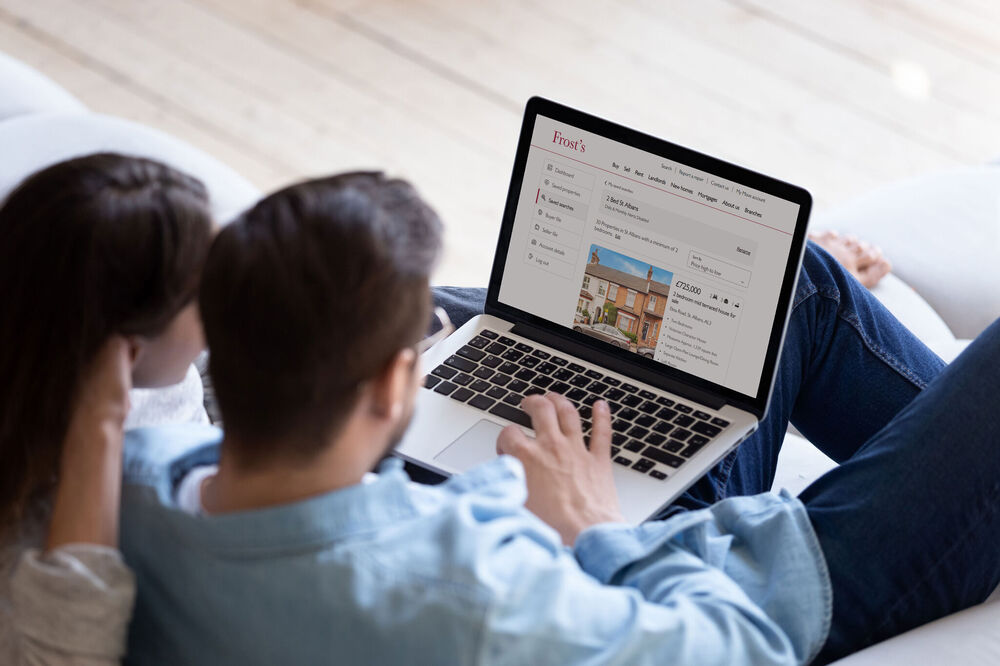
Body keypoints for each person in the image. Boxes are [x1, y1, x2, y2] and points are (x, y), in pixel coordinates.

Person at [118, 171, 1000, 665]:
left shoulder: (135, 487)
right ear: (395, 385)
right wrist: (589, 526)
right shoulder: (475, 607)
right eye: (418, 343)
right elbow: (742, 648)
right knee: (806, 292)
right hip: (770, 579)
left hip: (571, 519)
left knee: (790, 288)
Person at [0, 153, 214, 664]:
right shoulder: (34, 526)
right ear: (125, 352)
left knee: (441, 305)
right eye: (206, 291)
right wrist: (99, 427)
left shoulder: (38, 321)